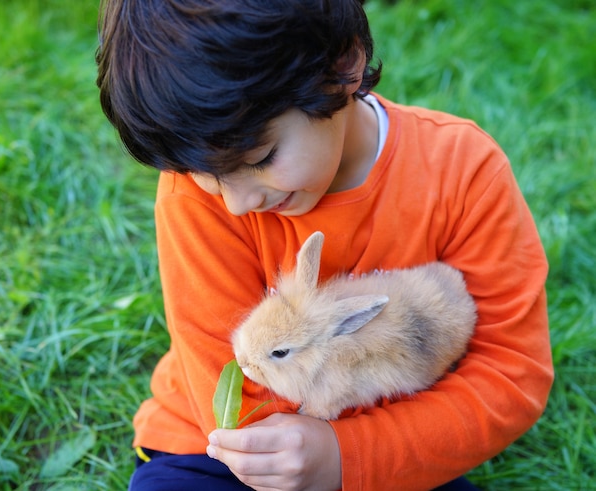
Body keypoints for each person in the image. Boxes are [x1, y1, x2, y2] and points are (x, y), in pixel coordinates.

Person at [95, 1, 554, 490]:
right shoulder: (193, 196)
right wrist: (282, 454)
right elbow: (226, 379)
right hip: (225, 454)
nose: (235, 203)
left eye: (262, 157)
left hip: (389, 448)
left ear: (343, 67)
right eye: (207, 175)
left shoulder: (464, 171)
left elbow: (512, 371)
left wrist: (346, 456)